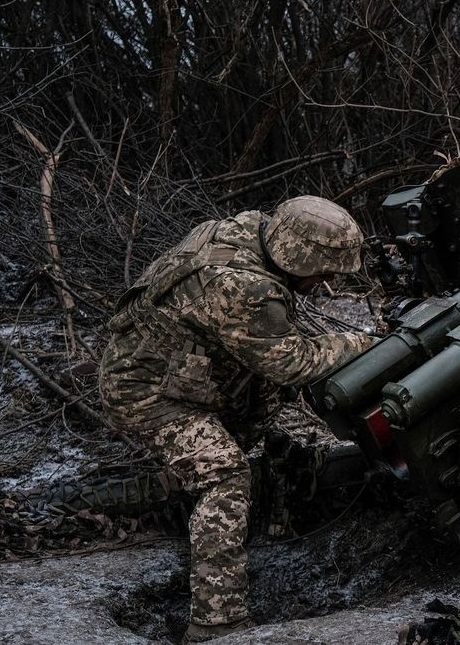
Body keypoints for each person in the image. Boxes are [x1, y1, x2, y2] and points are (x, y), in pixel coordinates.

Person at [98, 196, 376, 642]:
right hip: (147, 393)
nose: (323, 284)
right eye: (322, 273)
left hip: (190, 373)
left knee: (265, 411)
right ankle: (216, 621)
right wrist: (361, 343)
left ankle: (243, 506)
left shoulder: (249, 230)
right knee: (225, 474)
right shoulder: (242, 286)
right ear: (296, 256)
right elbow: (293, 362)